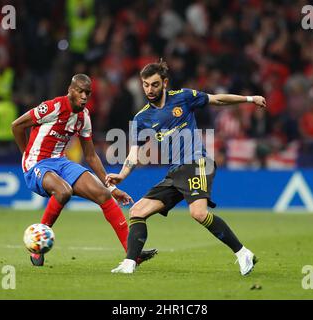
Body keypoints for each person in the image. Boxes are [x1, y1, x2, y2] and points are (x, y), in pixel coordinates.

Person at [106, 61, 266, 275]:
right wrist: (122, 175)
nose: (149, 90)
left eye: (154, 85)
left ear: (164, 83)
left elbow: (217, 99)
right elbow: (133, 154)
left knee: (198, 213)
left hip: (197, 162)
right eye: (145, 85)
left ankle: (242, 253)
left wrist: (249, 99)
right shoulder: (141, 118)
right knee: (137, 211)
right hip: (175, 173)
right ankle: (129, 263)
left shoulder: (183, 97)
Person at [11, 74, 157, 266]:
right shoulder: (52, 107)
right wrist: (26, 155)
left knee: (103, 195)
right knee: (64, 191)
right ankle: (38, 244)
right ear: (70, 91)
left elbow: (90, 155)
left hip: (61, 163)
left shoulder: (83, 116)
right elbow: (17, 126)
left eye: (87, 92)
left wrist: (112, 188)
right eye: (80, 91)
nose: (84, 96)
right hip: (37, 164)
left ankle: (133, 254)